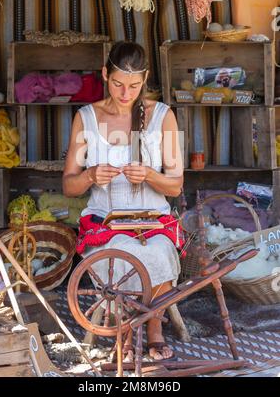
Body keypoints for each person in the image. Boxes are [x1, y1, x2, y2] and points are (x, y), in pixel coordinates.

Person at [63, 41, 184, 362]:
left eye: (133, 85)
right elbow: (69, 186)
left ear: (144, 79)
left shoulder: (163, 117)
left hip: (153, 223)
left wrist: (148, 175)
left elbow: (175, 185)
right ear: (105, 74)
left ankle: (152, 331)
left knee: (157, 253)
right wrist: (90, 176)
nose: (125, 92)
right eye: (117, 83)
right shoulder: (86, 118)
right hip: (106, 224)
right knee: (120, 255)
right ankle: (130, 332)